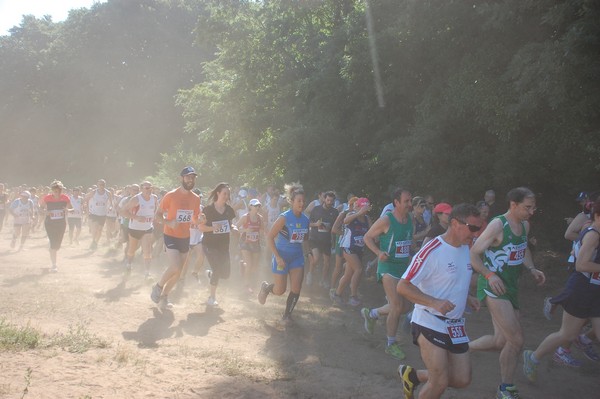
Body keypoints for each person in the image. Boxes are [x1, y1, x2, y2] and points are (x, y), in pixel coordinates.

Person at [397, 204, 482, 399]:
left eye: (479, 228)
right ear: (454, 223)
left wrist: (466, 297)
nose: (476, 233)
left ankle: (413, 376)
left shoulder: (465, 248)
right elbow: (403, 286)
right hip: (429, 321)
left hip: (456, 325)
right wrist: (434, 302)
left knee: (462, 379)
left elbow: (451, 280)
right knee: (439, 382)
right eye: (473, 228)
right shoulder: (432, 250)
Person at [469, 187, 546, 399]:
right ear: (513, 204)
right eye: (527, 207)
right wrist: (489, 275)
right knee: (517, 340)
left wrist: (532, 269)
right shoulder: (497, 225)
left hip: (511, 287)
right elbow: (474, 254)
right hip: (493, 287)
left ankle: (462, 348)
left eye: (533, 207)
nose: (531, 211)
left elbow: (523, 249)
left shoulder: (524, 225)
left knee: (500, 342)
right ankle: (506, 388)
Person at [523, 198, 600, 384]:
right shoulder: (593, 234)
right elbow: (581, 264)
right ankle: (532, 357)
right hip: (581, 289)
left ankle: (583, 340)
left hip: (595, 291)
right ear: (597, 215)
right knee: (567, 334)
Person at [362, 187, 414, 360]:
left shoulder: (410, 219)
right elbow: (367, 237)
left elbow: (407, 242)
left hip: (403, 268)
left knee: (405, 307)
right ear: (396, 203)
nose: (409, 204)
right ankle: (391, 344)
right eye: (406, 201)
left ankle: (372, 314)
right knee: (397, 306)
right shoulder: (387, 220)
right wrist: (378, 253)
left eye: (410, 200)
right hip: (388, 268)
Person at [257, 182, 309, 325]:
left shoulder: (305, 219)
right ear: (291, 202)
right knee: (280, 290)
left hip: (297, 257)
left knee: (296, 288)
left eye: (303, 201)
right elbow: (269, 237)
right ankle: (266, 288)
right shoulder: (284, 218)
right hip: (281, 257)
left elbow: (305, 238)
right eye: (299, 201)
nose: (302, 203)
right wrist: (278, 257)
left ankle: (287, 315)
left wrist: (308, 251)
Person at [150, 167, 201, 310]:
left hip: (185, 237)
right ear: (181, 178)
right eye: (188, 177)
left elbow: (195, 219)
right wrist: (168, 222)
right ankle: (158, 287)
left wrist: (200, 219)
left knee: (178, 272)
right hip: (170, 234)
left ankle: (164, 297)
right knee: (175, 266)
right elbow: (158, 215)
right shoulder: (171, 196)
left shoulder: (196, 199)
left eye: (193, 177)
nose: (190, 180)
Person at [198, 182, 236, 307]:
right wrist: (215, 228)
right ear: (218, 193)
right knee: (217, 269)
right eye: (224, 193)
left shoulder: (229, 210)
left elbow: (230, 225)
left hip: (224, 246)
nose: (226, 196)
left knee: (225, 275)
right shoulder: (208, 210)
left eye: (228, 194)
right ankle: (212, 297)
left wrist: (234, 228)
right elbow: (201, 228)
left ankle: (210, 274)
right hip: (209, 245)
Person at [332, 197, 372, 306]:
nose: (365, 211)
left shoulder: (367, 218)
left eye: (367, 208)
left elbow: (372, 231)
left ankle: (337, 294)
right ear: (358, 206)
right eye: (363, 207)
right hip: (348, 247)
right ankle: (353, 296)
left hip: (359, 249)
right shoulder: (351, 214)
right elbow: (345, 221)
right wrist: (358, 213)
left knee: (348, 274)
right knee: (358, 269)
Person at [120, 181, 158, 277]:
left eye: (151, 187)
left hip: (148, 228)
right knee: (132, 249)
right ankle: (128, 264)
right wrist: (136, 218)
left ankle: (147, 273)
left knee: (147, 250)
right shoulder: (136, 199)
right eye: (146, 188)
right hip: (135, 228)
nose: (149, 190)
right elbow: (123, 211)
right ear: (141, 189)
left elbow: (155, 211)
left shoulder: (154, 198)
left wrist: (157, 218)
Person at [306, 191, 339, 288]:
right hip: (315, 238)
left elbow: (336, 227)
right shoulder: (316, 209)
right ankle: (310, 274)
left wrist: (331, 229)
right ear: (324, 199)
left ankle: (323, 280)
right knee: (316, 258)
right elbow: (308, 223)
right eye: (328, 200)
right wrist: (316, 224)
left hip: (327, 240)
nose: (329, 202)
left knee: (327, 262)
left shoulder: (335, 212)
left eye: (331, 201)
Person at [39, 180, 72, 272]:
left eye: (58, 190)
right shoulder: (47, 198)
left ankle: (51, 246)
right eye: (54, 190)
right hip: (50, 223)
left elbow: (71, 208)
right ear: (52, 190)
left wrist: (68, 210)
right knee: (54, 245)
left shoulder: (65, 198)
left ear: (61, 190)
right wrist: (46, 212)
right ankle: (54, 265)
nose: (56, 192)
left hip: (61, 224)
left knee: (57, 246)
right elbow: (40, 208)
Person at [237, 198, 264, 294]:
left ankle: (243, 266)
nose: (257, 207)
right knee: (249, 264)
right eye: (255, 205)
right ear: (250, 206)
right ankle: (246, 286)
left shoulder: (260, 218)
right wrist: (245, 230)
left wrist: (261, 233)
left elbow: (262, 230)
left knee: (254, 266)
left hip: (255, 243)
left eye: (259, 206)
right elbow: (235, 227)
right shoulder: (245, 217)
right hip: (245, 242)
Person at [84, 179, 113, 250]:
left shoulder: (108, 193)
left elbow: (111, 203)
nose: (101, 186)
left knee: (100, 230)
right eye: (100, 184)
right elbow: (86, 199)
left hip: (103, 214)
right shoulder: (93, 192)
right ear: (97, 185)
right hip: (94, 213)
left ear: (105, 185)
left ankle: (96, 242)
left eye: (103, 184)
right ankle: (93, 241)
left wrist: (110, 207)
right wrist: (87, 208)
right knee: (95, 228)